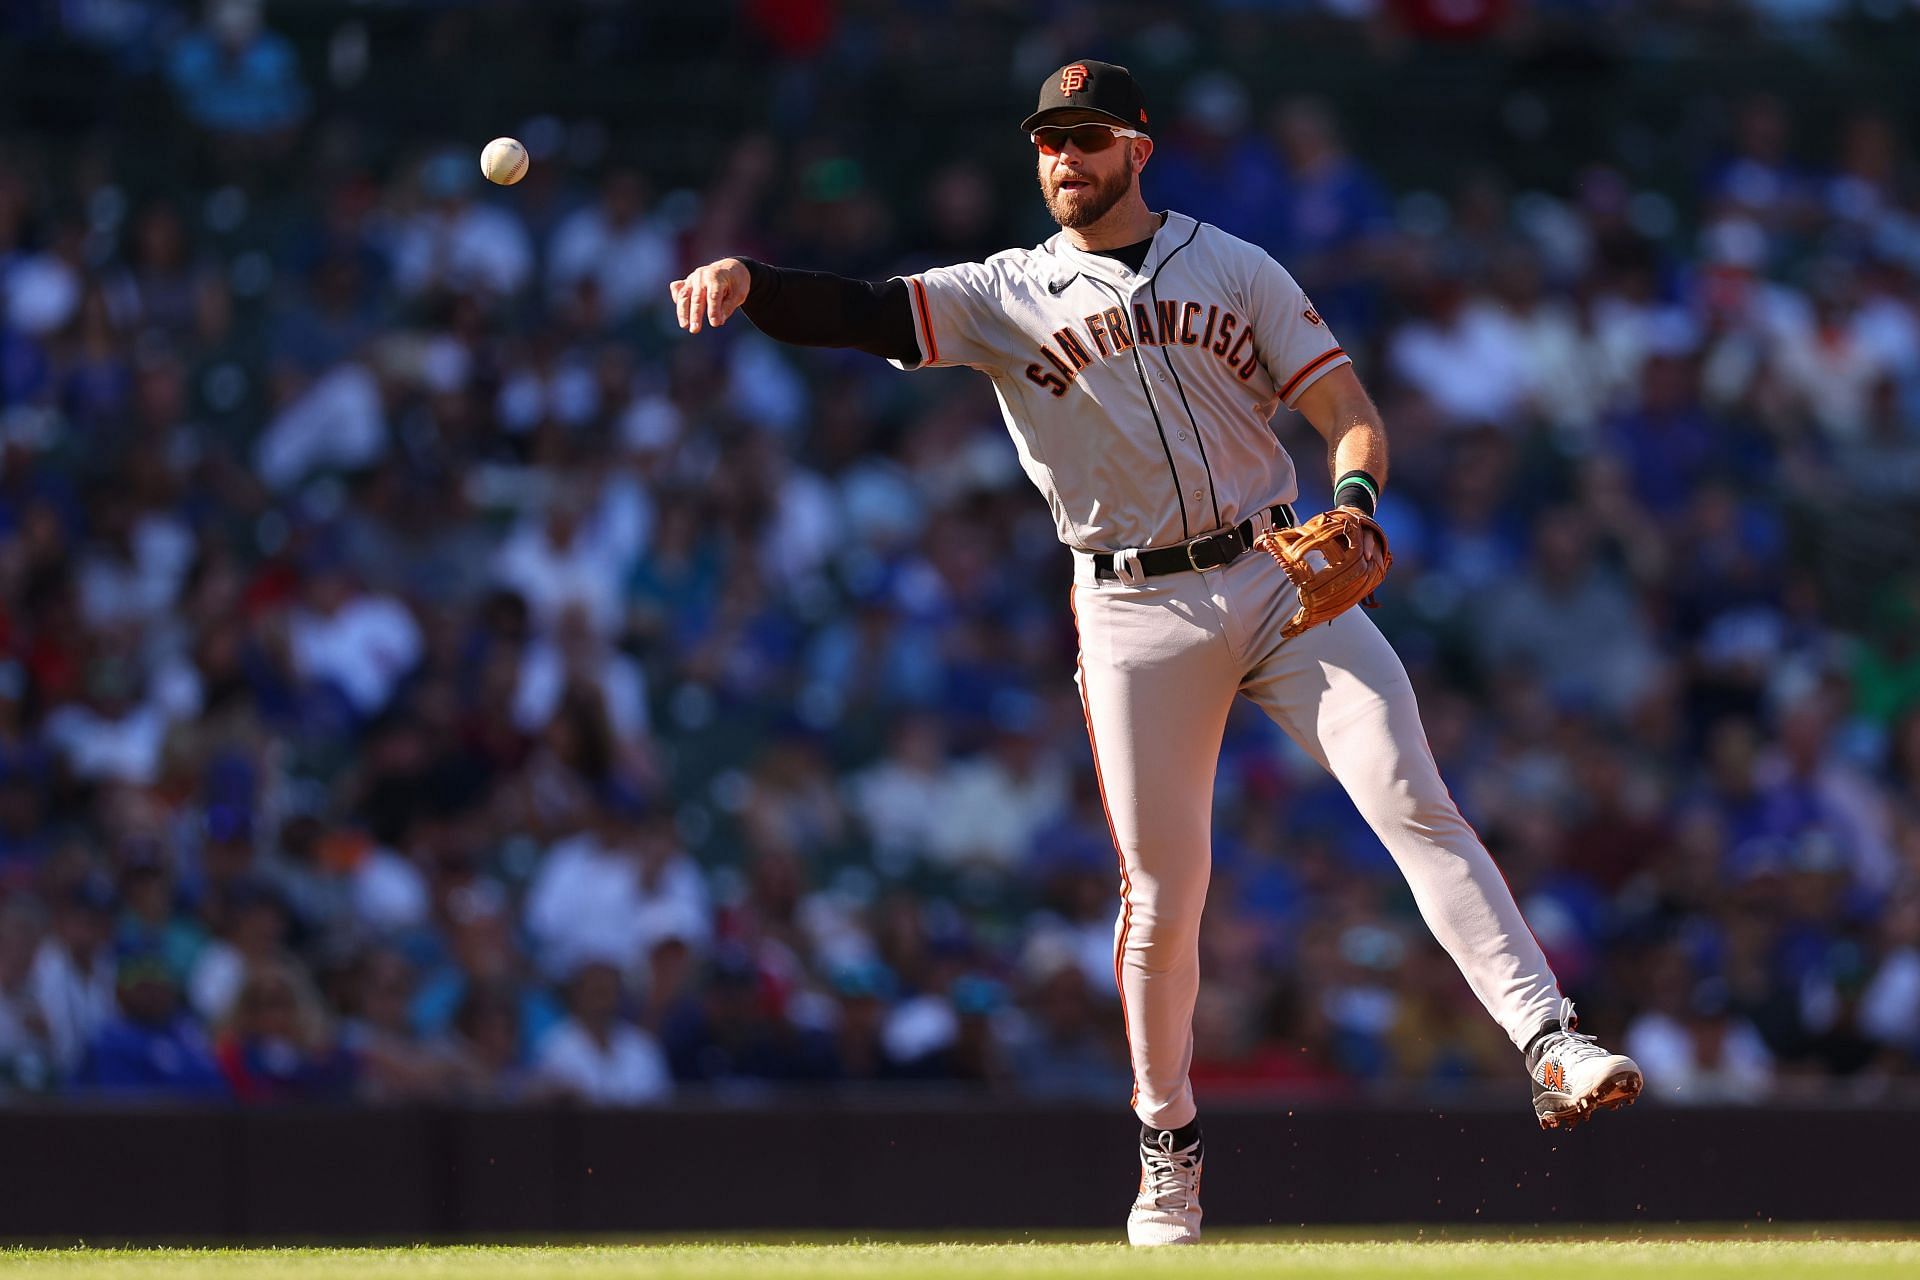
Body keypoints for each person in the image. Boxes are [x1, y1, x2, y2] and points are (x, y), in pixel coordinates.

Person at [668, 59, 1642, 1246]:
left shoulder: (1233, 265)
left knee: (1411, 797)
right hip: (1130, 608)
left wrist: (1353, 496)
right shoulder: (1005, 288)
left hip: (1277, 570)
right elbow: (868, 310)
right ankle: (1166, 1142)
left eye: (1086, 139)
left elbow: (1351, 414)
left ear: (1140, 146)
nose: (1063, 161)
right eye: (1047, 143)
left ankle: (1549, 1037)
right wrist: (752, 279)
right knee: (1165, 894)